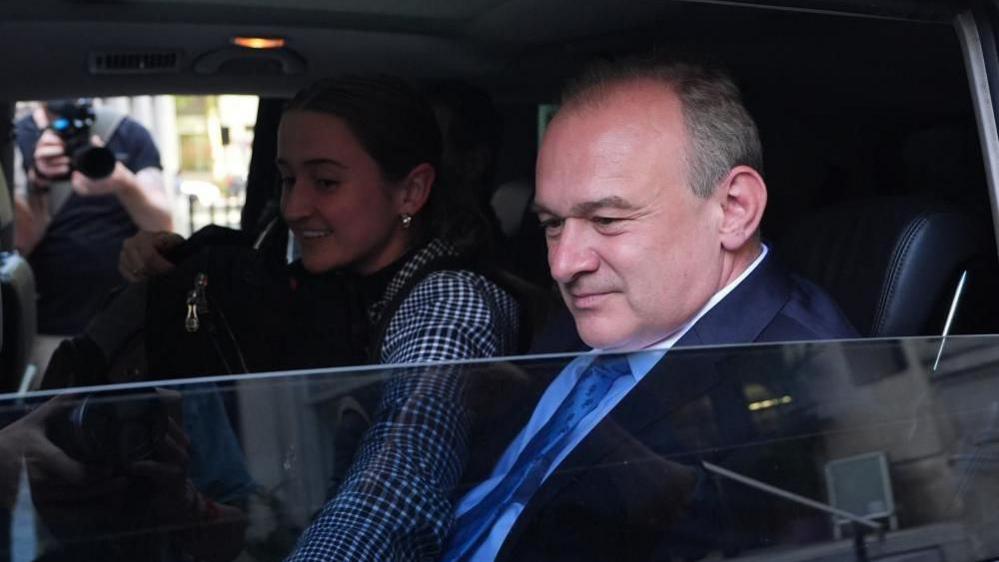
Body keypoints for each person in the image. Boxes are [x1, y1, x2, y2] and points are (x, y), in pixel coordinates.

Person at [441, 58, 859, 561]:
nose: (562, 264)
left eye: (609, 219)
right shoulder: (622, 306)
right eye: (552, 223)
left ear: (734, 210)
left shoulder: (799, 396)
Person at [118, 76, 522, 561]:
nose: (293, 207)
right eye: (288, 179)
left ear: (411, 191)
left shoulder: (450, 299)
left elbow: (401, 472)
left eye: (326, 182)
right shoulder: (316, 280)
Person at [13, 98, 172, 376]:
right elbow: (19, 244)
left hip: (126, 328)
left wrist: (123, 184)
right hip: (49, 330)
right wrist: (37, 183)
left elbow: (162, 227)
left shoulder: (128, 133)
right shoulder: (15, 140)